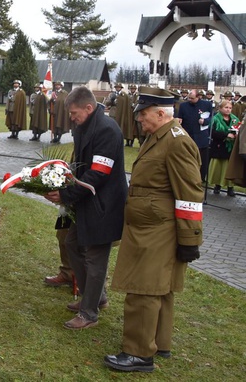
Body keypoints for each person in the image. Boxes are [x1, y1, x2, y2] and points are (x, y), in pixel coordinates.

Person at [105, 87, 203, 373]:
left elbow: (190, 194)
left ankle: (138, 353)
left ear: (161, 114)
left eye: (144, 114)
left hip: (158, 229)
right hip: (151, 225)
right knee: (160, 288)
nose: (139, 120)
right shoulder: (158, 137)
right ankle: (159, 342)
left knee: (144, 289)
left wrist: (189, 239)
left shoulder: (176, 142)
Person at [44, 87, 126, 330]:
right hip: (87, 200)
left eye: (74, 113)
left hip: (104, 204)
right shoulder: (85, 126)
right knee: (72, 243)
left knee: (95, 257)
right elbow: (80, 163)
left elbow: (99, 174)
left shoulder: (107, 130)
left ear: (89, 108)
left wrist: (66, 194)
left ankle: (89, 312)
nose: (71, 118)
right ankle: (96, 297)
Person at [176, 89, 212, 182]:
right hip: (188, 135)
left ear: (198, 97)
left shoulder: (206, 105)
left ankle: (201, 178)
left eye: (192, 98)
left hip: (202, 136)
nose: (190, 100)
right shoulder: (183, 106)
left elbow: (212, 118)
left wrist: (205, 121)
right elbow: (180, 117)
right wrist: (179, 120)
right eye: (189, 98)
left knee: (202, 160)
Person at [209, 100, 240, 196]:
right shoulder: (215, 119)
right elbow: (212, 132)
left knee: (229, 168)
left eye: (230, 108)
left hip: (230, 148)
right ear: (220, 108)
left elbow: (239, 130)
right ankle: (217, 186)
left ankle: (230, 188)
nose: (228, 110)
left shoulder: (235, 119)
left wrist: (235, 134)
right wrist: (226, 134)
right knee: (218, 168)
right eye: (226, 107)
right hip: (219, 147)